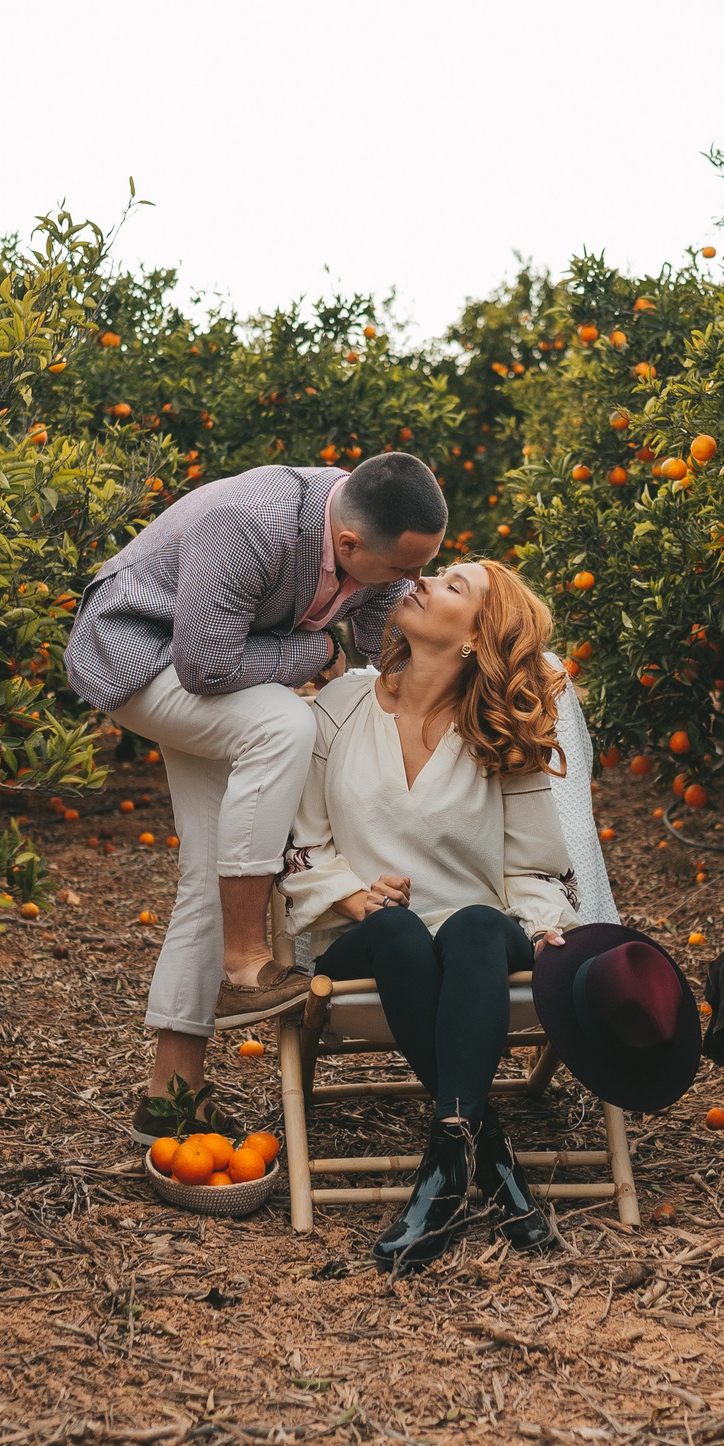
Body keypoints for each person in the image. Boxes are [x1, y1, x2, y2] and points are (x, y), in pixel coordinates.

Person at [63, 454, 444, 1122]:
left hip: (228, 663)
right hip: (140, 655)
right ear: (349, 545)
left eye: (425, 567)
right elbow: (207, 666)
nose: (414, 582)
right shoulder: (250, 523)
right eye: (403, 570)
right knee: (283, 725)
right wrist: (321, 654)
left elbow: (378, 647)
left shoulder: (372, 541)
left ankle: (171, 1095)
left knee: (211, 867)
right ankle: (246, 960)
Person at [282, 560, 579, 1268]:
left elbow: (538, 867)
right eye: (438, 571)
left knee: (477, 923)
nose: (426, 580)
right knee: (395, 927)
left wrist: (541, 929)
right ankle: (492, 1156)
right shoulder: (338, 709)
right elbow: (300, 845)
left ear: (477, 634)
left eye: (454, 585)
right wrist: (352, 895)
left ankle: (449, 1165)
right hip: (368, 943)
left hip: (477, 954)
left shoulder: (501, 730)